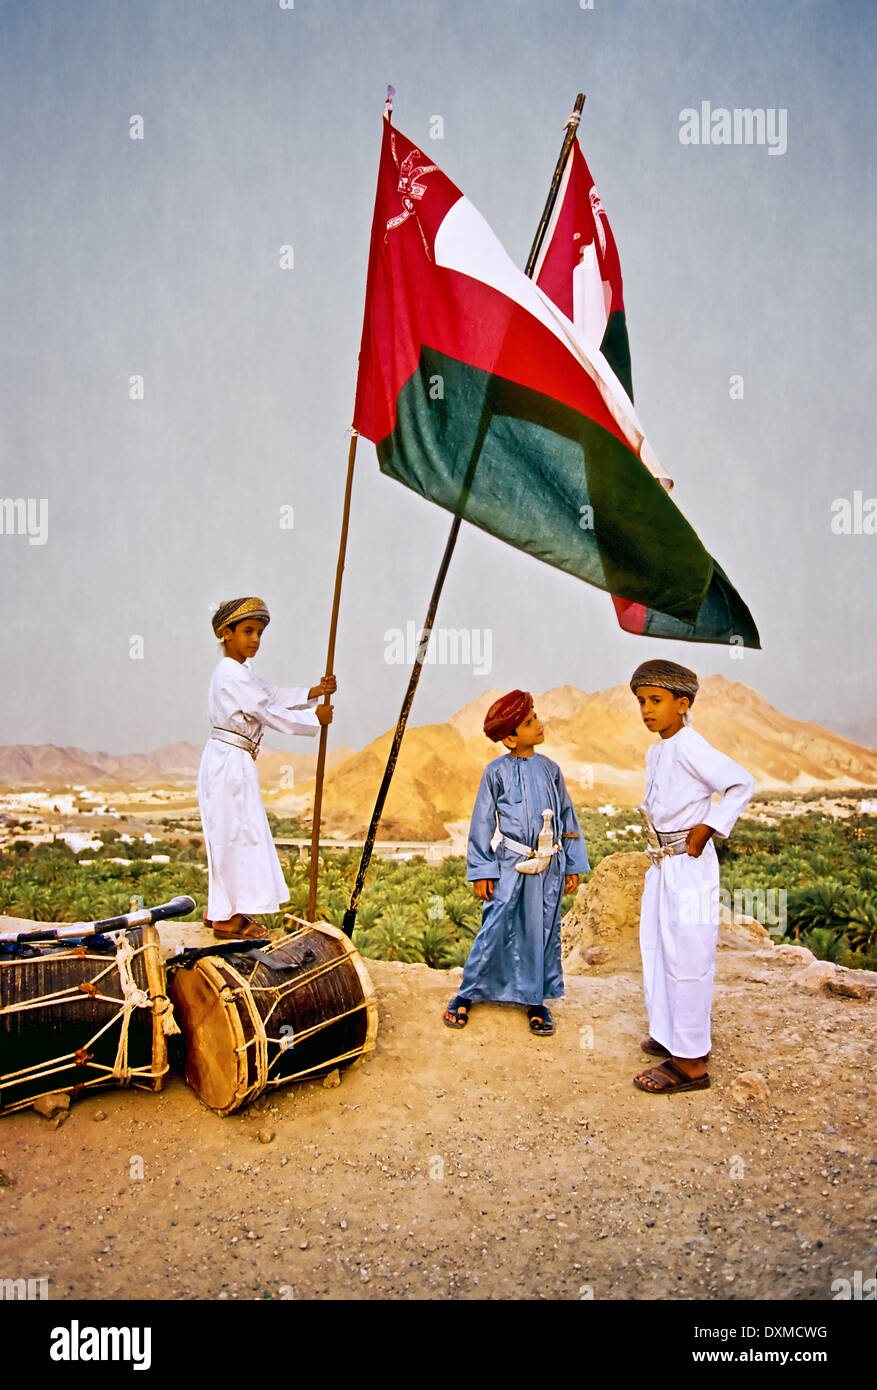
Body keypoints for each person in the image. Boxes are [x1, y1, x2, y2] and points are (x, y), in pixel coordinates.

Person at [630, 659, 754, 1094]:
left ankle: (691, 1064)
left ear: (682, 704)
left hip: (690, 862)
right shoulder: (658, 748)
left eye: (656, 700)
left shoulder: (690, 744)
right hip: (664, 864)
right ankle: (671, 1035)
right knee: (660, 949)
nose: (646, 709)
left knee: (688, 956)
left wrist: (708, 827)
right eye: (642, 701)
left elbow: (741, 783)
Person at [443, 690, 589, 1036]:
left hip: (549, 866)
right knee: (496, 924)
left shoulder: (551, 769)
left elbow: (567, 816)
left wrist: (571, 863)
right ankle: (467, 993)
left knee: (541, 929)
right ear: (509, 736)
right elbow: (482, 822)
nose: (538, 724)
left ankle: (536, 1000)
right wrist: (482, 870)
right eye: (529, 722)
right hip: (510, 862)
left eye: (535, 716)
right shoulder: (494, 772)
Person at [197, 597, 336, 939]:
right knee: (232, 836)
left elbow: (271, 695)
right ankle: (227, 919)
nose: (255, 639)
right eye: (247, 631)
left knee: (233, 836)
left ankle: (221, 909)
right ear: (226, 633)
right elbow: (266, 711)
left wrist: (313, 692)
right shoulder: (230, 674)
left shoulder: (241, 673)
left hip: (234, 761)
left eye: (258, 632)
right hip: (228, 763)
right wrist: (312, 719)